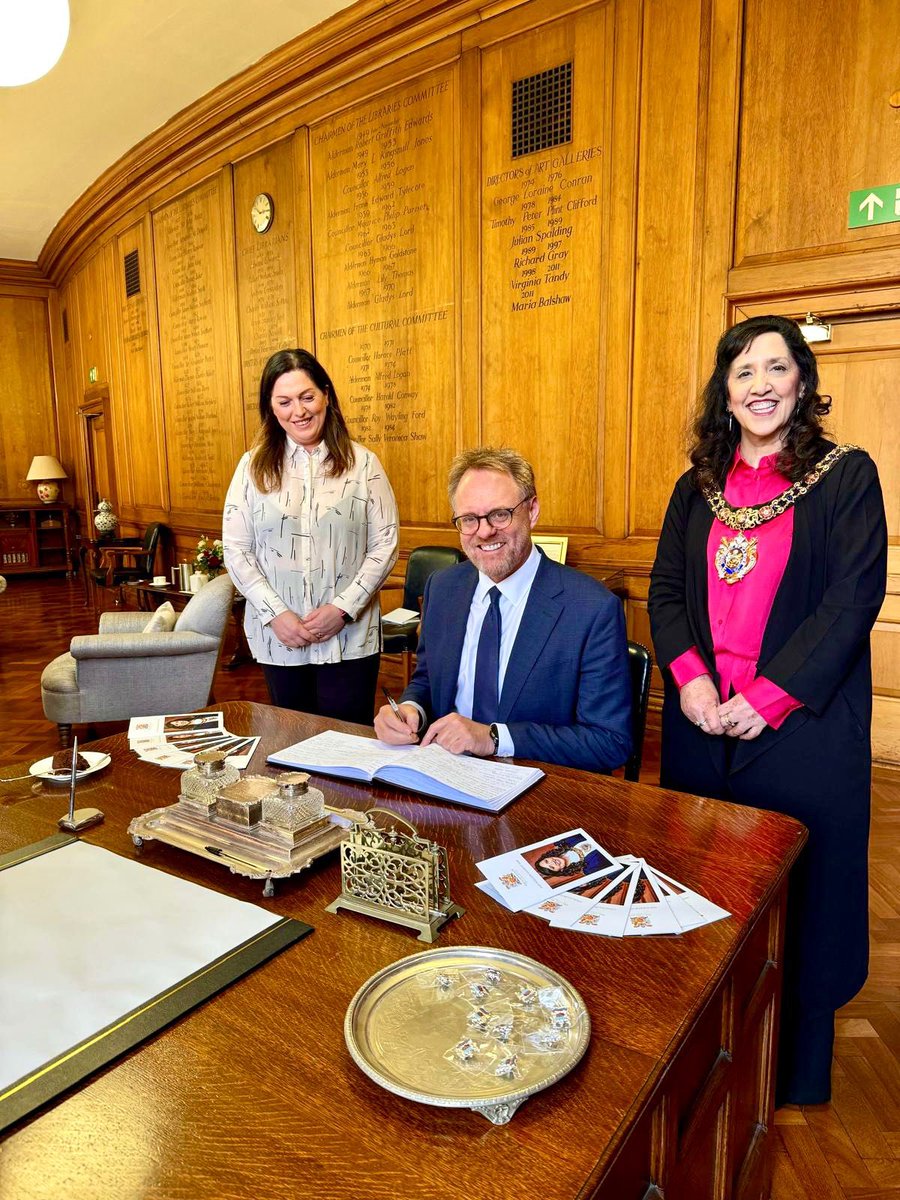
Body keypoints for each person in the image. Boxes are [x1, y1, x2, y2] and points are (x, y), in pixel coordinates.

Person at [648, 314, 887, 1106]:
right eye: (743, 371)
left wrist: (768, 696)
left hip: (800, 730)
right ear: (724, 388)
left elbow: (851, 602)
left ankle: (790, 1078)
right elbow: (668, 593)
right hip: (701, 725)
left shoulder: (845, 476)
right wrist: (688, 680)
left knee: (801, 900)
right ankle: (708, 1059)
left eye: (775, 369)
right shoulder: (696, 487)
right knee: (704, 899)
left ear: (802, 383)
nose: (759, 385)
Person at [374, 446, 631, 771]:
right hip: (443, 775)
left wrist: (494, 738)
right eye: (469, 519)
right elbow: (428, 679)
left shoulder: (591, 609)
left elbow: (609, 742)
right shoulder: (443, 588)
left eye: (499, 514)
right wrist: (411, 710)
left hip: (538, 790)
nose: (484, 531)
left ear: (532, 510)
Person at [223, 348, 399, 724]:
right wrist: (276, 614)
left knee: (349, 746)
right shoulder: (250, 468)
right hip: (280, 640)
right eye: (284, 401)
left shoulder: (363, 463)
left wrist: (343, 609)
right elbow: (238, 551)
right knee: (290, 742)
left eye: (307, 397)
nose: (298, 411)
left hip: (350, 639)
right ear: (271, 408)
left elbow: (385, 543)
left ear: (326, 395)